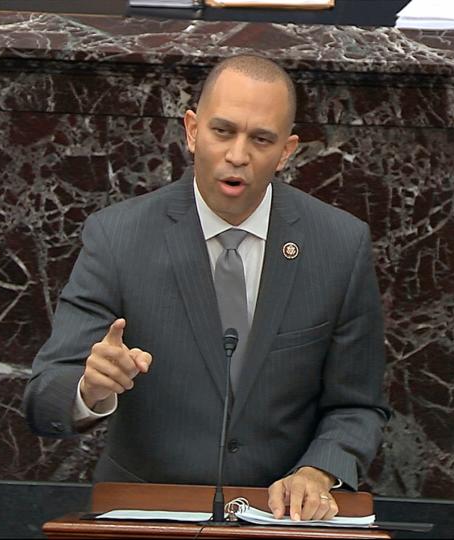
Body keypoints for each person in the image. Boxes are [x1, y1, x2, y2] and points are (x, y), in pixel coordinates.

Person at [24, 54, 389, 522]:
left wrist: (317, 473)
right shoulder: (117, 238)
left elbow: (357, 404)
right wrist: (89, 388)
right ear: (193, 131)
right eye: (223, 131)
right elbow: (43, 398)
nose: (238, 155)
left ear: (287, 151)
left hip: (277, 520)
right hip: (147, 515)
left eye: (261, 139)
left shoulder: (339, 245)